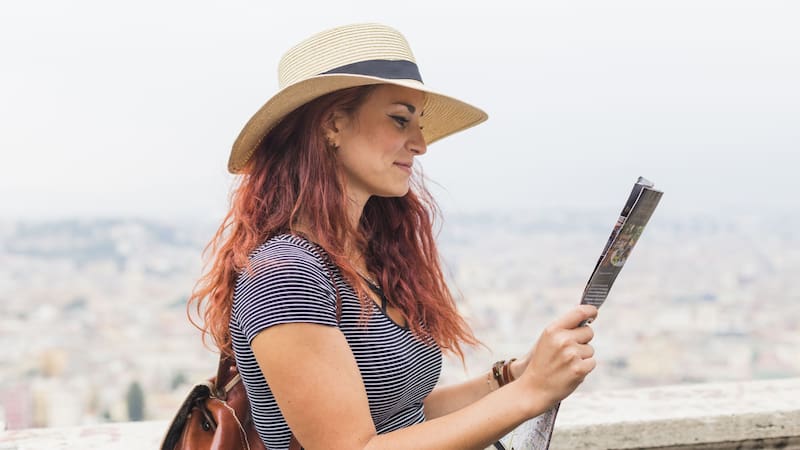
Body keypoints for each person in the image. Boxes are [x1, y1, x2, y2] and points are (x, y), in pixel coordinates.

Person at [189, 23, 597, 450]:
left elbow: (404, 417)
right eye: (400, 120)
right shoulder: (287, 274)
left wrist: (512, 376)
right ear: (332, 125)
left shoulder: (361, 258)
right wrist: (529, 393)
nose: (420, 144)